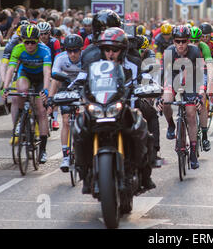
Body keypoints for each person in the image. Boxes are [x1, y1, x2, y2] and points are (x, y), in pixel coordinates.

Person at [74, 27, 156, 194]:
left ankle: (145, 173)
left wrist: (149, 87)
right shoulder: (93, 64)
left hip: (125, 108)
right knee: (79, 127)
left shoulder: (133, 64)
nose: (110, 53)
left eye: (115, 50)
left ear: (123, 50)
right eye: (107, 49)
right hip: (98, 108)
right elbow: (80, 80)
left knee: (142, 128)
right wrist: (69, 91)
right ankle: (84, 171)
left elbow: (144, 79)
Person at [1, 24, 51, 163]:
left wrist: (45, 89)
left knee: (41, 111)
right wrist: (5, 87)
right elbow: (10, 70)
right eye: (26, 42)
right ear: (22, 40)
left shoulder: (44, 50)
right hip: (26, 75)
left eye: (32, 42)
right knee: (21, 90)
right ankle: (21, 118)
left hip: (40, 77)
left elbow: (47, 72)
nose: (29, 45)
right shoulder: (18, 49)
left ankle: (43, 150)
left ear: (38, 41)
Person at [156, 25, 204, 170]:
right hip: (173, 78)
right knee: (166, 101)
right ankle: (171, 124)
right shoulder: (169, 52)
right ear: (174, 41)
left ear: (188, 41)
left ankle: (194, 152)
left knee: (190, 114)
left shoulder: (195, 51)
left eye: (184, 41)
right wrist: (159, 95)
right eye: (177, 41)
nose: (181, 44)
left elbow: (202, 76)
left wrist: (199, 95)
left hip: (191, 80)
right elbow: (162, 75)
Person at [47, 34, 83, 172]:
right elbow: (55, 77)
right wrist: (51, 99)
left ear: (81, 50)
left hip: (82, 88)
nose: (72, 54)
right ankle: (66, 157)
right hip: (66, 87)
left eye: (75, 51)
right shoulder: (60, 58)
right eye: (69, 51)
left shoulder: (86, 58)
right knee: (66, 121)